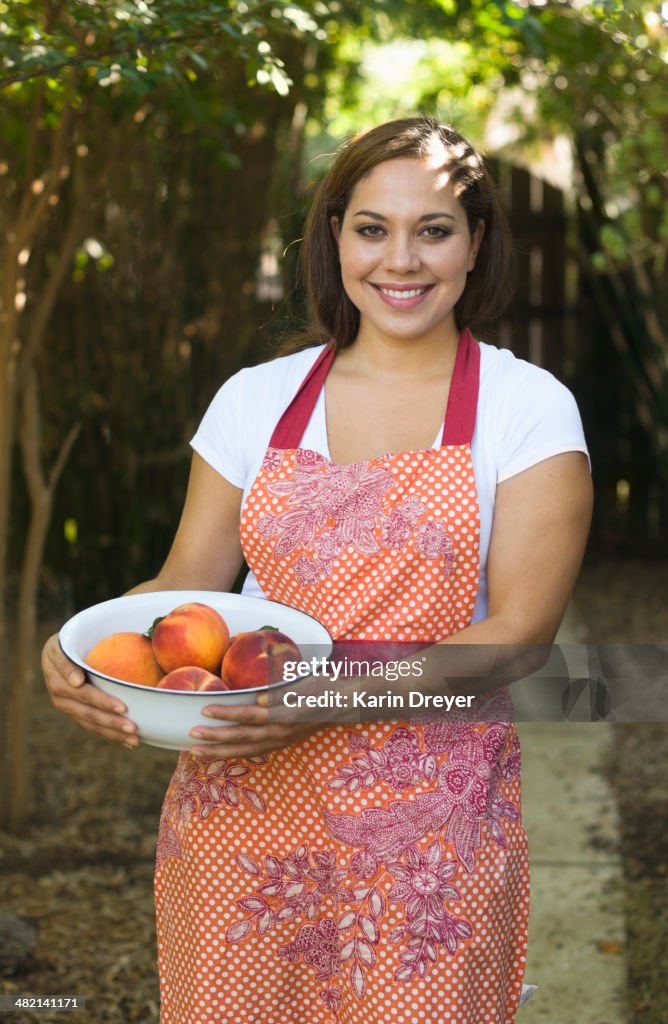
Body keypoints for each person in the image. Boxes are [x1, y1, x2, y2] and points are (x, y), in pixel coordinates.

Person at [42, 115, 593, 1024]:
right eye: (372, 228)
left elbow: (516, 641)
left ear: (477, 241)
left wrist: (317, 700)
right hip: (240, 822)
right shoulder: (255, 399)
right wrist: (79, 646)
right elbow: (185, 589)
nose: (401, 260)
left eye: (436, 229)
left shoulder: (526, 407)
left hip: (429, 830)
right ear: (334, 235)